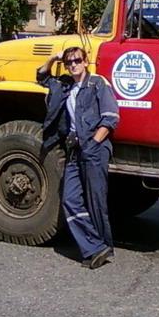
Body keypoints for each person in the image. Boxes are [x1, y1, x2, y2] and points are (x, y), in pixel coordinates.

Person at [37, 46, 120, 269]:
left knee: (95, 200)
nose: (73, 65)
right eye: (69, 62)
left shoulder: (97, 84)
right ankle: (95, 246)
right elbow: (42, 77)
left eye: (77, 60)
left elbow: (111, 117)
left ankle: (100, 247)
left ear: (85, 61)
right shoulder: (65, 85)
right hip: (74, 149)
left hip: (94, 149)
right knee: (70, 199)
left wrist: (94, 143)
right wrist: (53, 58)